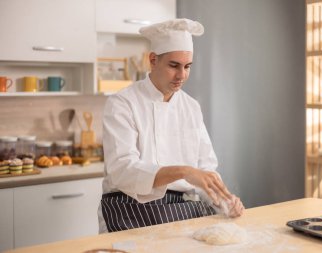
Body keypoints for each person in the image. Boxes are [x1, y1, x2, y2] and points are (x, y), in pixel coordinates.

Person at [98, 18, 244, 233]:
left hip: (180, 213)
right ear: (153, 60)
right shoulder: (123, 103)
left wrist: (222, 200)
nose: (182, 75)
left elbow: (205, 169)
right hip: (129, 212)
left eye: (187, 67)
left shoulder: (191, 107)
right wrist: (184, 172)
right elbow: (122, 170)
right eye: (174, 66)